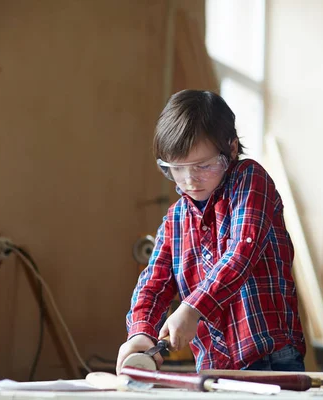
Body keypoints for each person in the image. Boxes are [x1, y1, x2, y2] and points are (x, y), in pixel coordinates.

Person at [116, 90, 305, 373]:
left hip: (271, 359)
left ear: (231, 148)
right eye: (177, 169)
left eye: (203, 166)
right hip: (212, 367)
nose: (190, 180)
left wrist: (193, 308)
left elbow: (241, 253)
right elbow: (153, 284)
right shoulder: (175, 219)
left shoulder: (249, 180)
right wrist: (140, 332)